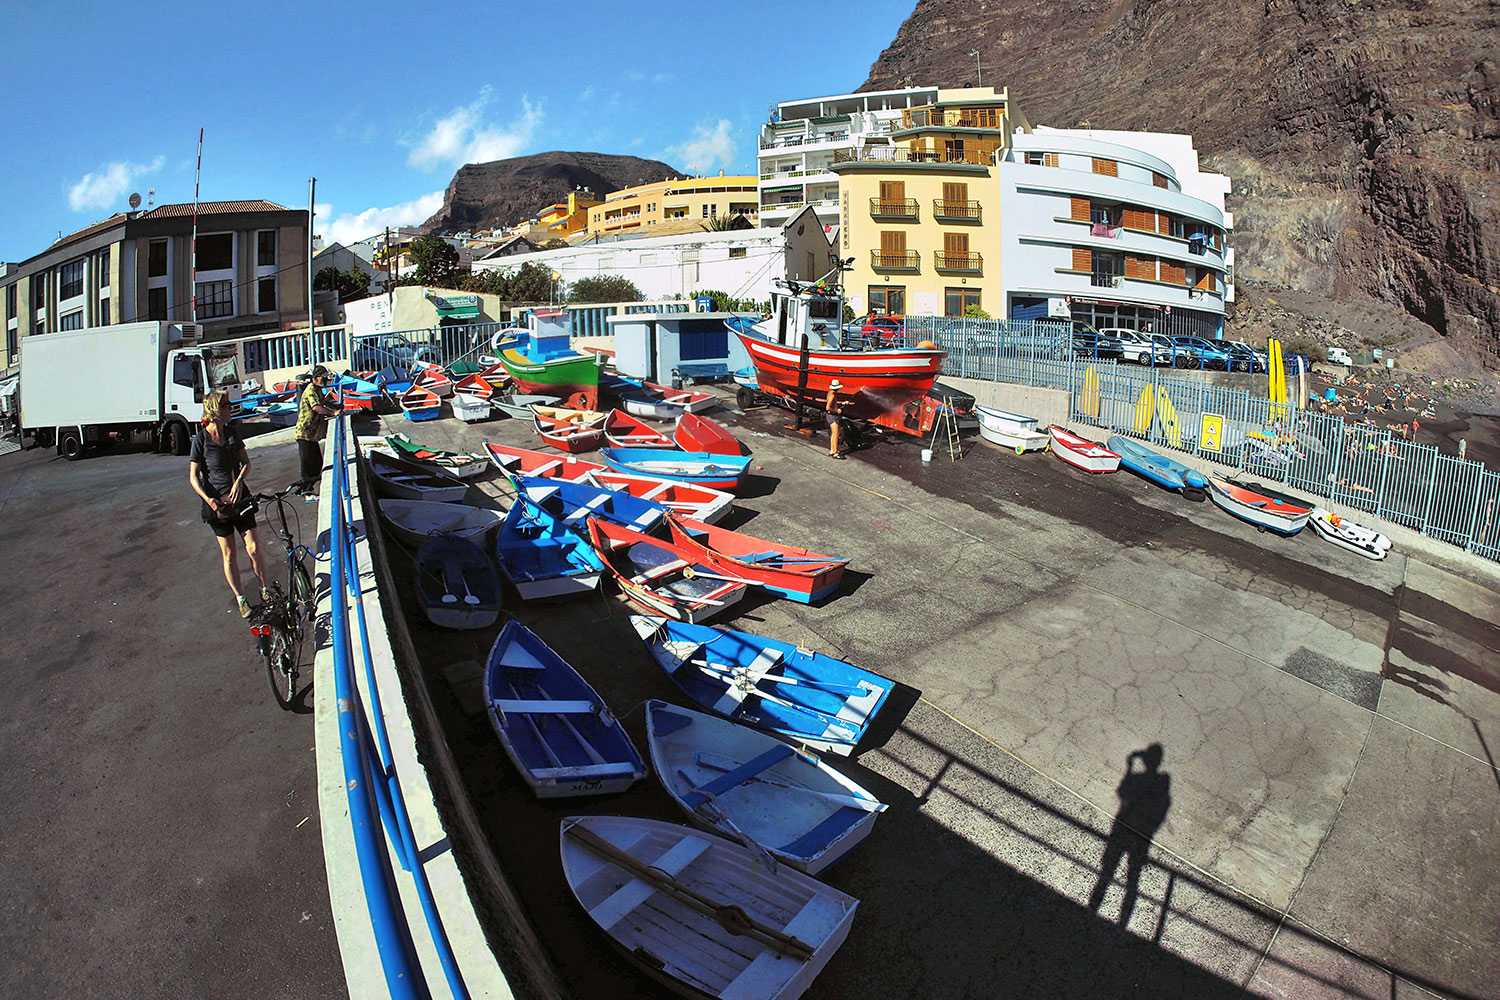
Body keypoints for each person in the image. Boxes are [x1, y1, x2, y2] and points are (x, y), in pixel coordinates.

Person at [189, 390, 270, 618]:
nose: (230, 408)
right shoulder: (201, 440)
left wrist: (239, 482)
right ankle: (241, 599)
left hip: (240, 499)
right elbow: (193, 476)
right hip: (218, 506)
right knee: (229, 554)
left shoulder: (232, 433)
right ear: (215, 410)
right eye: (226, 405)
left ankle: (265, 590)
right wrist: (209, 500)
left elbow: (246, 463)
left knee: (254, 548)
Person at [294, 365, 342, 497]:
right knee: (307, 465)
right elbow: (316, 408)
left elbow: (323, 403)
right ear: (315, 378)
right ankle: (306, 491)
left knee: (317, 464)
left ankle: (308, 488)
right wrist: (333, 413)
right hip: (305, 433)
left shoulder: (318, 390)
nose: (326, 380)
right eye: (323, 378)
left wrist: (336, 406)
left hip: (312, 435)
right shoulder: (311, 390)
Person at [824, 380, 848, 460]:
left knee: (834, 434)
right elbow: (828, 408)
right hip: (832, 416)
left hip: (830, 415)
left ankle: (832, 451)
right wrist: (837, 411)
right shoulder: (832, 396)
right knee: (836, 434)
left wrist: (842, 404)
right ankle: (835, 452)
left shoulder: (830, 393)